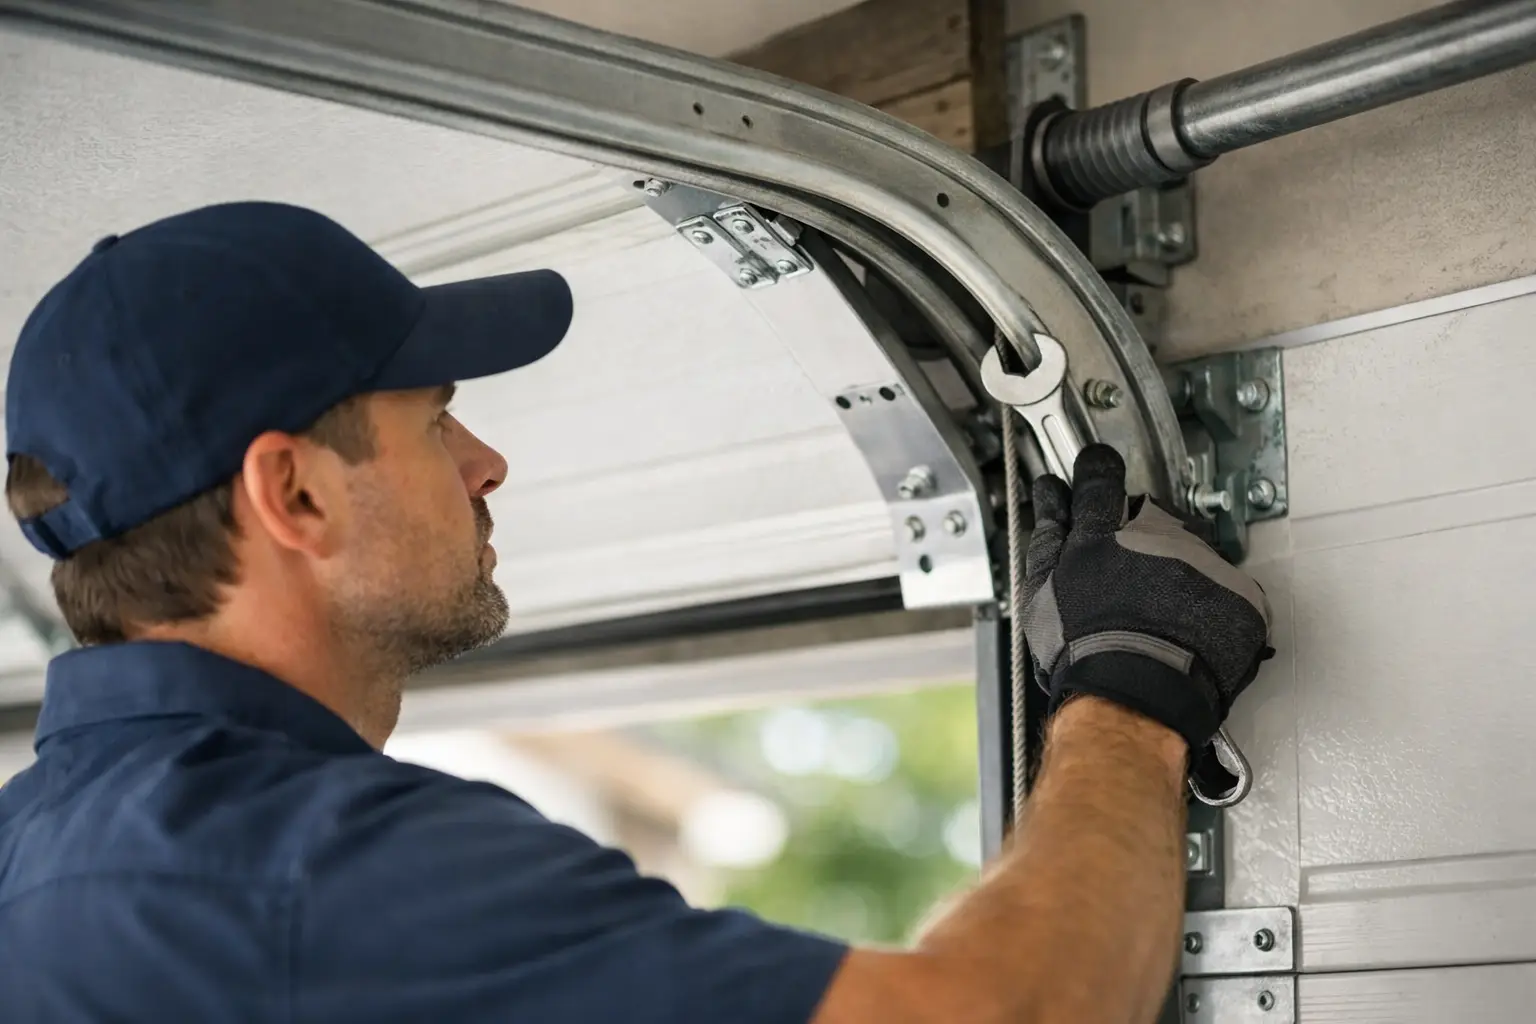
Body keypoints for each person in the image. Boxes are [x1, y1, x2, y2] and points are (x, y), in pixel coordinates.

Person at [0, 201, 1274, 1023]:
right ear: (293, 492)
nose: (486, 462)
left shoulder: (36, 854)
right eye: (437, 419)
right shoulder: (312, 866)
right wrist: (1130, 681)